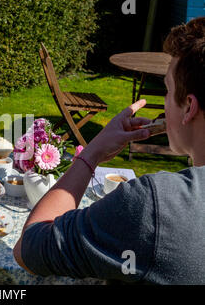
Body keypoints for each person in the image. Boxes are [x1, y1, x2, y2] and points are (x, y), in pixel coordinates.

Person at [13, 16, 205, 284]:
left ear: (188, 106)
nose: (164, 103)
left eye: (167, 90)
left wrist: (92, 153)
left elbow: (30, 248)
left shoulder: (156, 205)